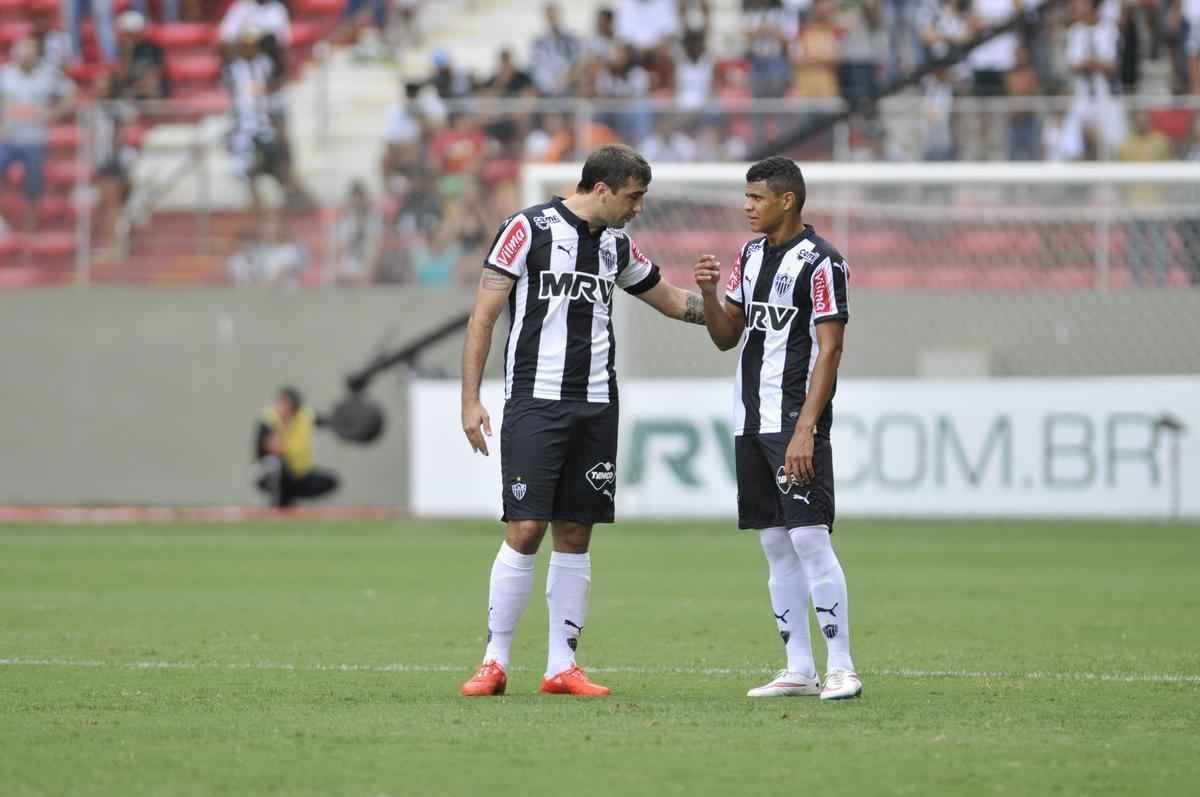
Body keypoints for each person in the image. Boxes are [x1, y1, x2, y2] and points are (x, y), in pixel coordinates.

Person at [458, 144, 708, 698]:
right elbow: (483, 316)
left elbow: (668, 300)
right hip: (534, 400)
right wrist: (470, 399)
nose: (638, 207)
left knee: (575, 530)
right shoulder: (525, 230)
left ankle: (560, 666)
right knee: (525, 528)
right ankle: (494, 660)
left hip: (596, 403)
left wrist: (723, 307)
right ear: (602, 189)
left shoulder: (617, 246)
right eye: (634, 196)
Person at [693, 156, 862, 701]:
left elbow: (830, 349)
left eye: (756, 198)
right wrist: (713, 294)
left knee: (810, 538)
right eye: (746, 197)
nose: (747, 207)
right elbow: (726, 337)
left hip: (793, 420)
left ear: (786, 200)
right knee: (774, 543)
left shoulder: (822, 264)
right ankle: (798, 668)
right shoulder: (749, 255)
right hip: (750, 419)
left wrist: (806, 428)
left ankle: (842, 666)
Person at [0, 36, 76, 235]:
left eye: (29, 50)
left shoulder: (48, 74)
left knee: (33, 181)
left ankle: (30, 223)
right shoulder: (5, 74)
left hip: (35, 139)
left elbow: (71, 93)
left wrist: (54, 113)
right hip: (8, 138)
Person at [254, 387, 339, 508]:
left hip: (302, 473)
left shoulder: (306, 415)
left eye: (286, 403)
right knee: (277, 468)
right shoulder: (269, 418)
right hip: (276, 473)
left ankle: (291, 501)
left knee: (330, 481)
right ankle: (277, 506)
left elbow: (328, 422)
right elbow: (267, 449)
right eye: (281, 402)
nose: (282, 407)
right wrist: (280, 428)